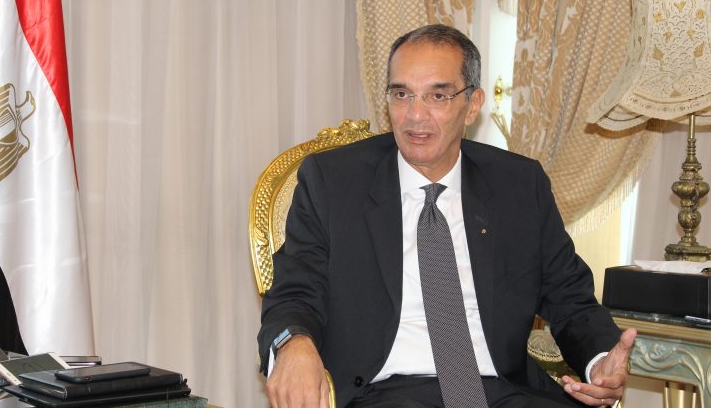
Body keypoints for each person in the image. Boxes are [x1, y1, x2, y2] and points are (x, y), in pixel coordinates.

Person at [258, 24, 635, 408]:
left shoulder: (519, 184)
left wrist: (600, 360)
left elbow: (570, 299)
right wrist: (293, 344)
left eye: (437, 96)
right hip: (384, 392)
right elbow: (294, 293)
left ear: (473, 104)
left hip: (504, 390)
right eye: (401, 94)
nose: (415, 115)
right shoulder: (334, 181)